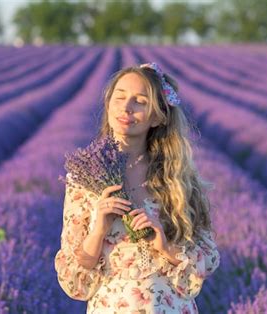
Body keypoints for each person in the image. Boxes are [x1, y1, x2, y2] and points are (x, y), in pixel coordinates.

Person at [54, 62, 220, 313]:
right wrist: (99, 230)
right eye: (119, 97)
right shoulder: (84, 179)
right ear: (108, 104)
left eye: (139, 101)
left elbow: (207, 259)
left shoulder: (175, 177)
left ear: (157, 116)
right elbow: (73, 280)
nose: (126, 107)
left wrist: (164, 246)